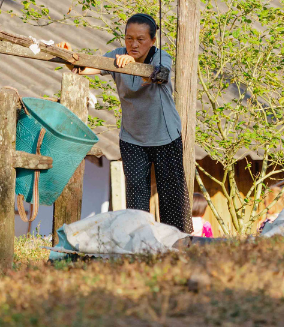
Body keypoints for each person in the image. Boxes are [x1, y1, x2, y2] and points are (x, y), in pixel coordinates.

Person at [59, 13, 191, 233]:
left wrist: (132, 66)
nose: (134, 44)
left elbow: (158, 75)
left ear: (152, 41)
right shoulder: (117, 56)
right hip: (132, 138)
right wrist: (67, 55)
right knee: (136, 202)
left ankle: (178, 245)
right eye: (129, 38)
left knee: (172, 199)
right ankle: (139, 247)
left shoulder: (160, 57)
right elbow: (83, 68)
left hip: (165, 136)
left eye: (140, 39)